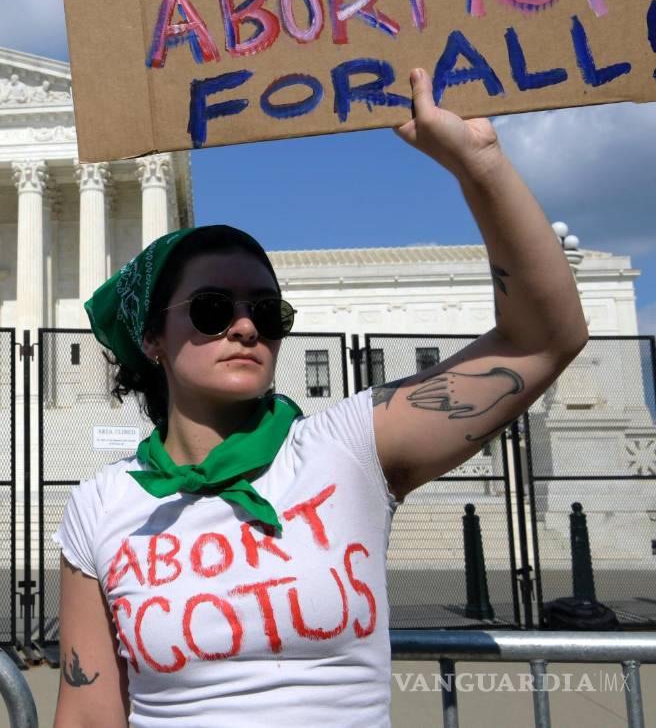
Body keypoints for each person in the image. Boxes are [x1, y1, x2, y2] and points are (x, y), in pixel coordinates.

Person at [51, 69, 589, 727]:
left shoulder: (347, 450)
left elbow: (543, 340)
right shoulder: (102, 506)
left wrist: (480, 164)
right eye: (213, 308)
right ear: (153, 339)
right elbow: (88, 715)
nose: (245, 327)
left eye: (267, 311)